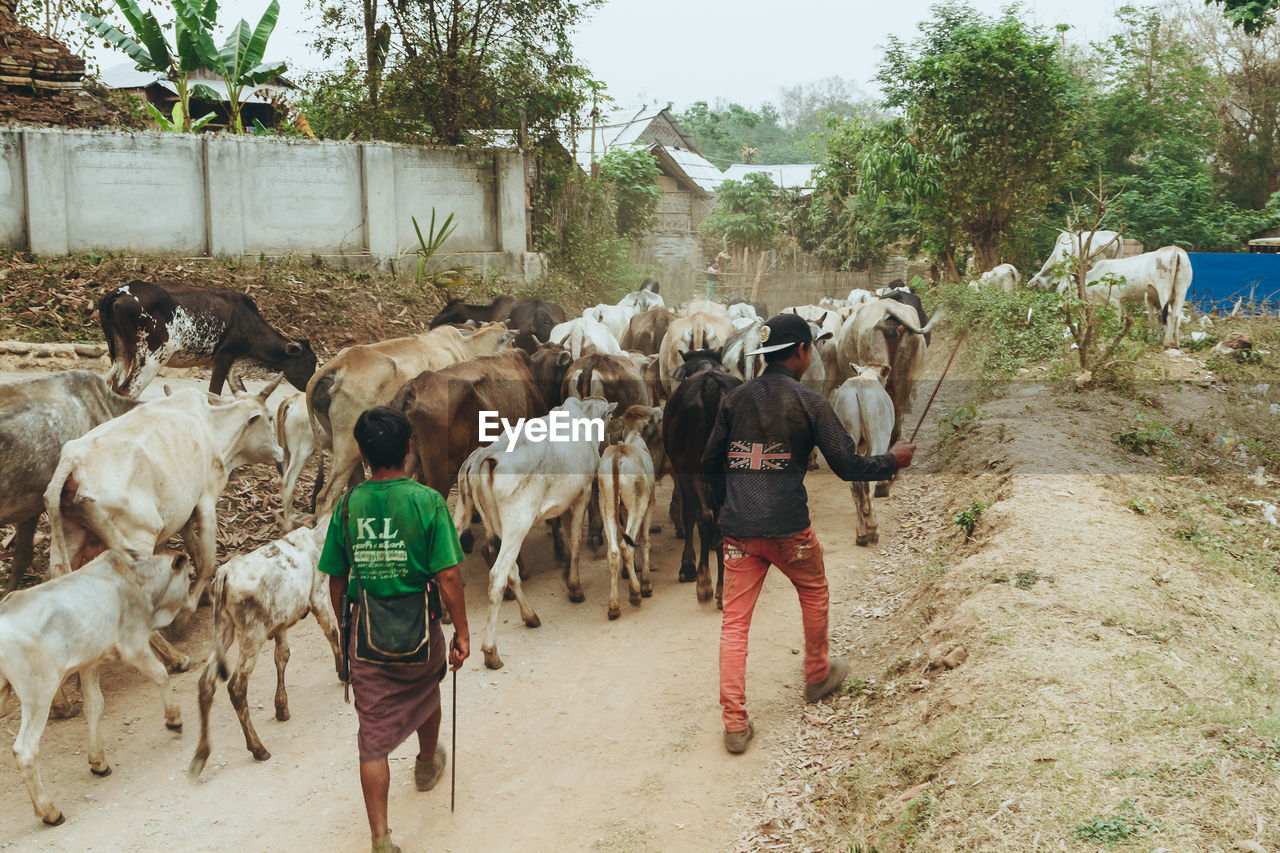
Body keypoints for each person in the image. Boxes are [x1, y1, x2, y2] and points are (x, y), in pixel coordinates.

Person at [701, 313, 915, 754]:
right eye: (811, 349)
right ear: (801, 352)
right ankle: (817, 674)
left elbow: (707, 464)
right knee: (814, 591)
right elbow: (847, 466)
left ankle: (735, 724)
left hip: (739, 534)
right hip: (789, 532)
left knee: (735, 624)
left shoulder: (734, 400)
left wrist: (732, 502)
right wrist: (893, 459)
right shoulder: (809, 402)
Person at [319, 406, 470, 853]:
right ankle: (426, 762)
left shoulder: (348, 505)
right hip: (420, 632)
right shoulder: (428, 502)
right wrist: (461, 631)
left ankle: (381, 839)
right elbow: (447, 576)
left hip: (367, 637)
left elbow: (336, 579)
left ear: (362, 453)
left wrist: (346, 629)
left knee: (373, 739)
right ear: (408, 448)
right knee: (428, 692)